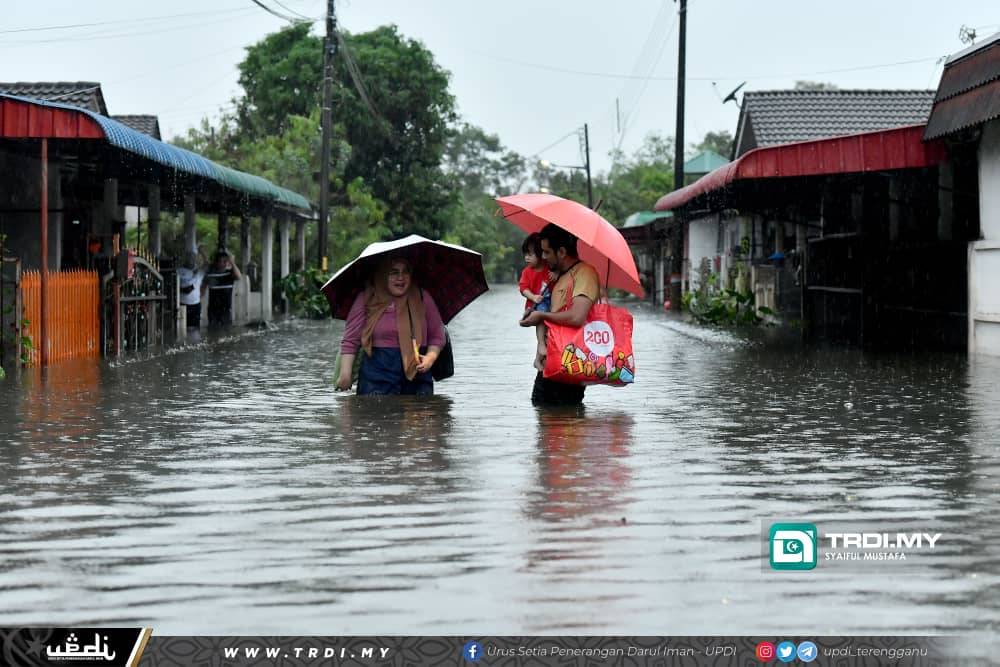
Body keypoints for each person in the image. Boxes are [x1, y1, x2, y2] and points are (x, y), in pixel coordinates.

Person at [335, 256, 446, 395]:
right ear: (382, 275)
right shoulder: (366, 299)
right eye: (394, 272)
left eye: (405, 271)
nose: (401, 277)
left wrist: (430, 358)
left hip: (418, 376)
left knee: (420, 412)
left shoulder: (423, 297)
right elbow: (351, 340)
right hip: (377, 376)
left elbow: (437, 335)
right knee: (376, 413)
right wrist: (345, 374)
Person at [519, 223, 600, 406]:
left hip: (569, 365)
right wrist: (540, 345)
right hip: (550, 362)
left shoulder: (584, 273)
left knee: (564, 423)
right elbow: (552, 317)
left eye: (547, 252)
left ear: (562, 252)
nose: (544, 257)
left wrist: (541, 317)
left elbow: (577, 317)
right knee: (544, 418)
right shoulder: (558, 277)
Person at [518, 233, 554, 372]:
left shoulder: (548, 268)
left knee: (548, 332)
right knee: (541, 318)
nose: (526, 257)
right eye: (525, 254)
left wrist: (555, 274)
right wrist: (533, 297)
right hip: (535, 305)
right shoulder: (527, 272)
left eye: (530, 254)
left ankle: (538, 359)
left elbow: (555, 278)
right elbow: (523, 288)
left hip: (548, 302)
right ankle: (540, 344)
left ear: (541, 255)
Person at [205, 249, 242, 326]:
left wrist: (232, 262)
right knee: (213, 332)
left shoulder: (229, 274)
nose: (225, 264)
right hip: (213, 311)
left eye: (226, 261)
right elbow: (202, 288)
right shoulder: (210, 274)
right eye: (222, 261)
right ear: (217, 262)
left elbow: (239, 276)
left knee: (226, 332)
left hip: (226, 311)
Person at [176, 252, 206, 329]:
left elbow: (207, 266)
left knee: (194, 329)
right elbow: (186, 289)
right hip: (181, 304)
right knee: (181, 328)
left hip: (195, 305)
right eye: (189, 258)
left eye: (193, 258)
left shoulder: (199, 272)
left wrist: (204, 254)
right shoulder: (178, 271)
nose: (191, 260)